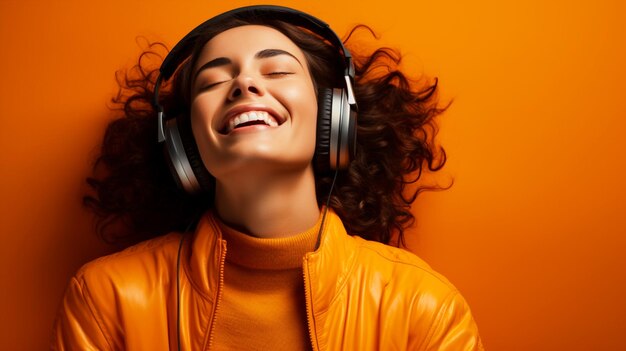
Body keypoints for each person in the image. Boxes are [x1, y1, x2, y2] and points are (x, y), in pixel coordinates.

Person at [52, 5, 484, 350]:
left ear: (333, 118)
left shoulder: (422, 306)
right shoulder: (105, 298)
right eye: (213, 81)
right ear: (183, 143)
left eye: (276, 71)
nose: (243, 84)